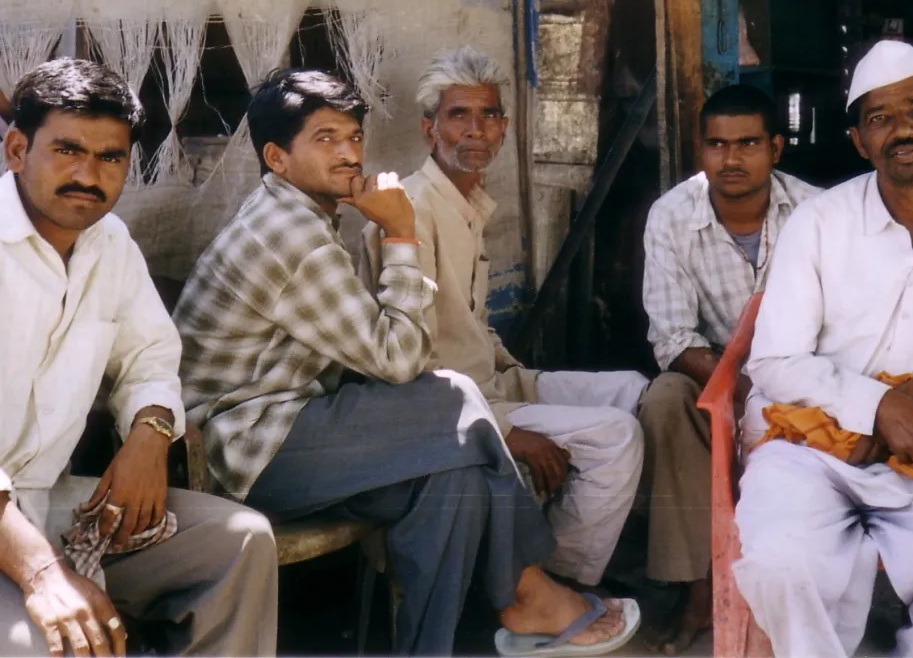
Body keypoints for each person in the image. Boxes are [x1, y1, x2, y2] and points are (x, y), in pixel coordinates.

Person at [175, 68, 641, 658]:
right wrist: (401, 233)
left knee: (453, 480)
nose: (349, 154)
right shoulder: (291, 233)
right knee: (454, 395)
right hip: (245, 449)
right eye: (325, 139)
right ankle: (530, 591)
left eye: (353, 137)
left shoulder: (302, 216)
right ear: (277, 157)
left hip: (295, 432)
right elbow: (399, 360)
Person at [0, 58, 278, 658]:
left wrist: (150, 433)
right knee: (51, 641)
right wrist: (44, 573)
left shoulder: (110, 245)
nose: (88, 175)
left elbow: (151, 354)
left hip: (51, 501)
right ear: (17, 150)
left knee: (240, 540)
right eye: (67, 151)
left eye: (110, 157)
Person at [361, 47, 648, 589]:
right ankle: (552, 581)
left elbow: (471, 320)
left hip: (491, 382)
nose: (476, 129)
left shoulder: (468, 202)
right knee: (617, 435)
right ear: (429, 129)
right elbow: (405, 361)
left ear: (504, 128)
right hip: (450, 405)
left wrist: (514, 371)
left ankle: (580, 551)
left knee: (634, 390)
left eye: (488, 114)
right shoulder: (410, 210)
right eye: (458, 115)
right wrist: (508, 430)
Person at [734, 40, 913, 657]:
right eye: (880, 118)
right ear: (860, 141)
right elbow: (774, 361)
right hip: (810, 440)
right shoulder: (818, 222)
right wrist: (879, 406)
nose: (903, 129)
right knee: (781, 561)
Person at [639, 84, 817, 654]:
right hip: (716, 371)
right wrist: (739, 389)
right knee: (665, 400)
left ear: (776, 148)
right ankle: (697, 587)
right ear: (701, 149)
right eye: (717, 145)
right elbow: (672, 337)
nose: (731, 159)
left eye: (748, 144)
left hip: (805, 375)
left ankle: (804, 596)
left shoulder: (817, 212)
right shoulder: (672, 215)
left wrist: (782, 388)